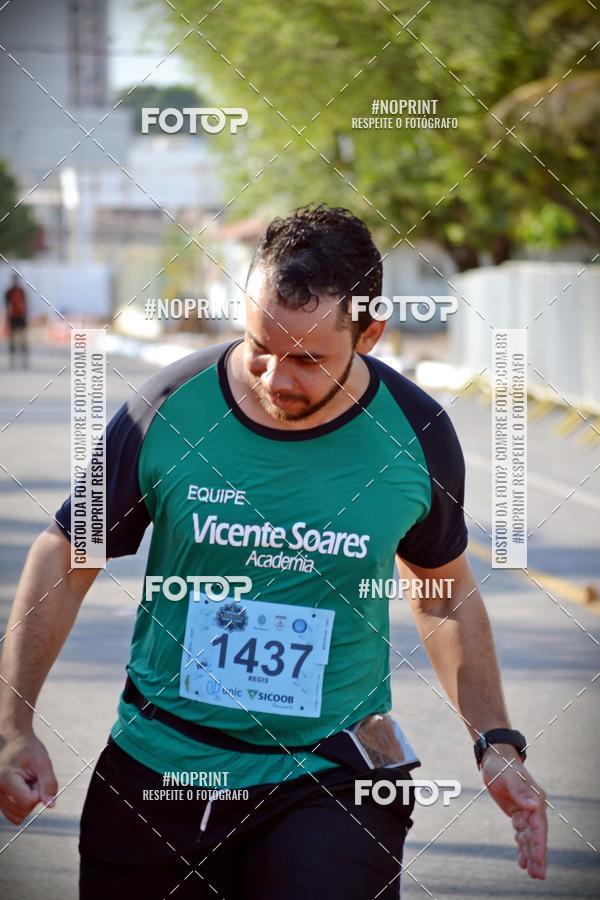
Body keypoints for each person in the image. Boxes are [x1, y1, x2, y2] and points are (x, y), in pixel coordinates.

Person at [0, 205, 547, 898]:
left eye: (308, 359)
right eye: (260, 344)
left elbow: (443, 593)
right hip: (160, 766)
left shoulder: (418, 434)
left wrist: (496, 741)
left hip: (331, 775)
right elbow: (64, 557)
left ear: (371, 333)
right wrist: (12, 726)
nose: (275, 378)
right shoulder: (167, 407)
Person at [4, 274, 29, 368]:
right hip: (13, 318)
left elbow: (25, 305)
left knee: (23, 340)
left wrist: (25, 317)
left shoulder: (21, 291)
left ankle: (24, 360)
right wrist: (7, 320)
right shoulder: (8, 292)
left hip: (21, 318)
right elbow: (7, 307)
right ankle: (12, 360)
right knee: (12, 341)